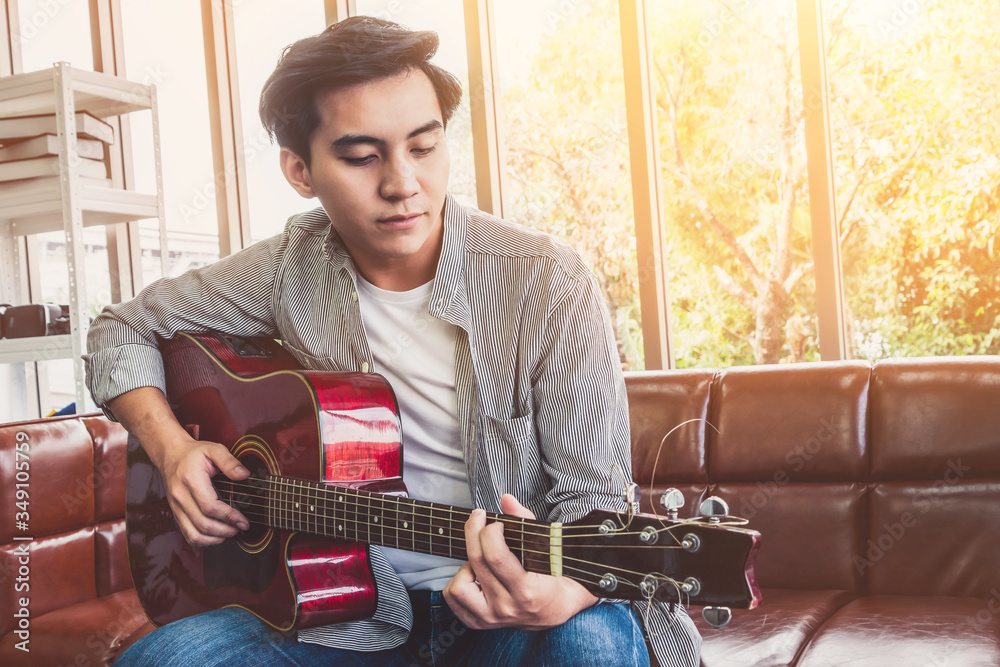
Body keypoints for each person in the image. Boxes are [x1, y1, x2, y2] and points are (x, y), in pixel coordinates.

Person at [85, 16, 701, 667]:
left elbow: (593, 506)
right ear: (300, 170)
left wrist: (560, 594)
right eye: (361, 156)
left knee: (591, 646)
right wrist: (173, 447)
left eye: (425, 145)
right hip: (340, 614)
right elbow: (119, 329)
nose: (403, 182)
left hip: (507, 611)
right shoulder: (288, 266)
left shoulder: (545, 281)